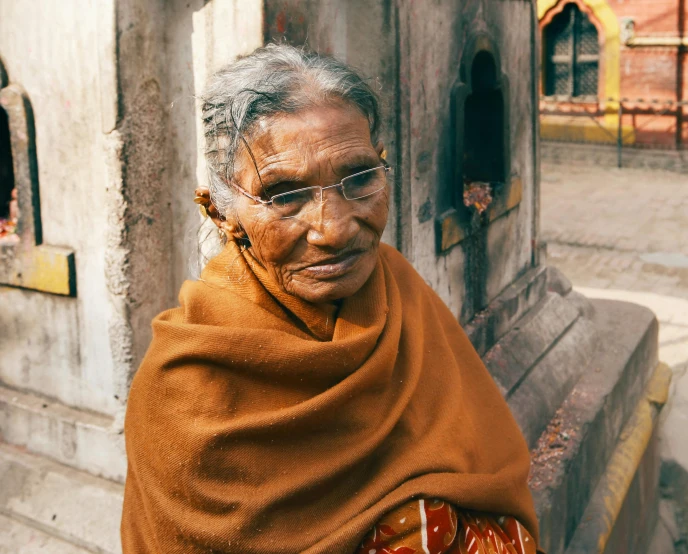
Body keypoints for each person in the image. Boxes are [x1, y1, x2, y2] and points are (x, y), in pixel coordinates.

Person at [121, 43, 540, 554]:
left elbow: (487, 468)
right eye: (285, 195)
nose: (335, 230)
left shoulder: (400, 288)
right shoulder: (187, 378)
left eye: (360, 178)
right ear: (223, 211)